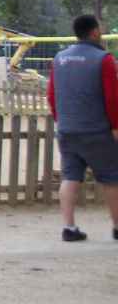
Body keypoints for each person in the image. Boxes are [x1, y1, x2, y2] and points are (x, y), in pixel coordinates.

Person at [46, 14, 118, 242]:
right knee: (111, 178)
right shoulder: (104, 59)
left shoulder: (59, 58)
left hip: (67, 129)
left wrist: (61, 120)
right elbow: (112, 98)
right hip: (97, 130)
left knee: (70, 177)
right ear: (95, 32)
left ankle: (69, 227)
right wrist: (115, 126)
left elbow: (51, 94)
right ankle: (117, 226)